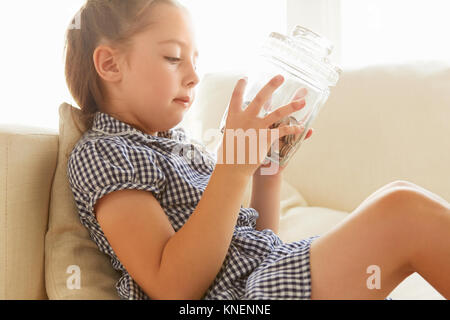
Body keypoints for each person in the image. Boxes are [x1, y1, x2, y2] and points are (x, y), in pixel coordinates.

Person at [65, 0, 450, 300]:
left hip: (263, 279)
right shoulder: (105, 153)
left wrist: (266, 174)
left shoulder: (180, 149)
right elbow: (172, 287)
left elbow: (253, 243)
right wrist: (231, 171)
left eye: (195, 60)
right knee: (402, 211)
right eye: (173, 57)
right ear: (110, 64)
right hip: (244, 297)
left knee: (393, 197)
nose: (194, 75)